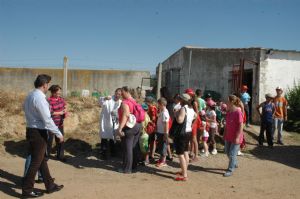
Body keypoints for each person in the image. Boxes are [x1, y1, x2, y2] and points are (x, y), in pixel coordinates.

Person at [22, 74, 64, 197]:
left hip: (31, 129)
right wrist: (58, 133)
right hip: (38, 133)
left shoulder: (30, 95)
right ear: (44, 84)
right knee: (36, 162)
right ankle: (27, 190)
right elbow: (47, 119)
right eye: (48, 84)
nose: (49, 86)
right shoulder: (39, 98)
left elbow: (23, 108)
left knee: (41, 160)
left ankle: (49, 185)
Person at [116, 86, 142, 173]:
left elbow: (126, 115)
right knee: (133, 147)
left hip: (129, 127)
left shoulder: (125, 103)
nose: (121, 94)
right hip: (137, 125)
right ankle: (133, 166)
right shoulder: (134, 100)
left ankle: (127, 169)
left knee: (128, 149)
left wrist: (120, 128)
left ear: (127, 92)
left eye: (122, 92)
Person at [172, 93, 196, 181]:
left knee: (180, 154)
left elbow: (179, 120)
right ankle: (184, 170)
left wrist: (175, 114)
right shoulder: (191, 108)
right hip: (188, 131)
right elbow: (194, 117)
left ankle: (184, 175)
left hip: (182, 133)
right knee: (185, 152)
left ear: (182, 100)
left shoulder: (183, 108)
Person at [223, 95, 244, 177]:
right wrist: (224, 133)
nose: (226, 102)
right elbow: (226, 124)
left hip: (236, 137)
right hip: (229, 136)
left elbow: (241, 125)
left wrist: (237, 137)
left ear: (231, 102)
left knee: (232, 154)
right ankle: (234, 163)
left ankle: (230, 169)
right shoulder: (229, 112)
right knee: (227, 152)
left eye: (227, 101)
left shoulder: (238, 112)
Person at [98, 88, 122, 159]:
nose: (117, 95)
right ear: (115, 92)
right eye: (117, 93)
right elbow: (100, 102)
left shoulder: (121, 102)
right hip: (106, 121)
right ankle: (103, 154)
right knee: (104, 138)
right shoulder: (109, 99)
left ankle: (113, 153)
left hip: (115, 122)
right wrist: (105, 98)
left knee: (113, 138)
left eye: (119, 94)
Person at [47, 85, 67, 161]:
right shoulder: (48, 101)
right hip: (51, 124)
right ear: (53, 92)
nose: (59, 93)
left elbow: (65, 105)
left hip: (60, 123)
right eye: (58, 92)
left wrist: (65, 110)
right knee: (49, 141)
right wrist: (60, 112)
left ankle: (60, 156)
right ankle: (46, 156)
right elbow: (50, 112)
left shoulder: (61, 99)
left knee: (60, 140)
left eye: (60, 92)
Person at [185, 88, 201, 162]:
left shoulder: (194, 102)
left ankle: (196, 155)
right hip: (192, 121)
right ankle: (191, 152)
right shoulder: (191, 101)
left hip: (194, 121)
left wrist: (193, 123)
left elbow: (197, 114)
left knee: (194, 139)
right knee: (191, 138)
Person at [156, 98, 170, 167]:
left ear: (161, 104)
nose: (157, 106)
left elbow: (166, 123)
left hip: (163, 132)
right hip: (160, 132)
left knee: (164, 146)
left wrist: (166, 133)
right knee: (161, 146)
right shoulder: (162, 111)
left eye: (158, 104)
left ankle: (164, 161)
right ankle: (161, 159)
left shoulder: (165, 112)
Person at [145, 96, 157, 161]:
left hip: (151, 126)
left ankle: (151, 154)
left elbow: (153, 118)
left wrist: (148, 121)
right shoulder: (152, 107)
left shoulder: (152, 108)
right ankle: (151, 154)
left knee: (151, 141)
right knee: (151, 141)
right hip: (152, 125)